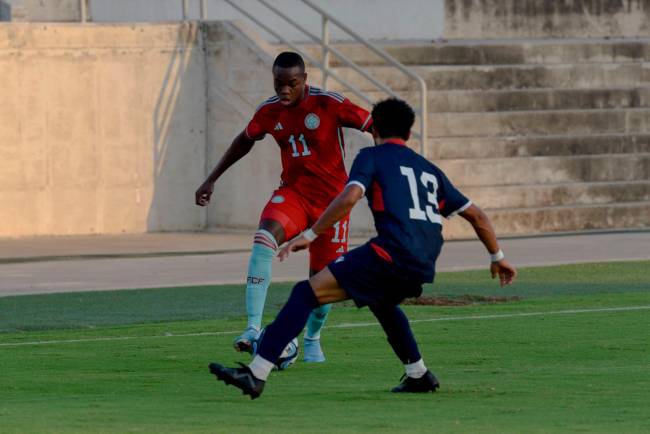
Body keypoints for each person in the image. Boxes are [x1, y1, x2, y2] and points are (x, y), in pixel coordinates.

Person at [208, 98, 517, 399]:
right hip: (424, 261)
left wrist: (312, 234)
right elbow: (476, 215)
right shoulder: (429, 169)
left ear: (375, 128)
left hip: (390, 251)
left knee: (305, 293)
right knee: (382, 302)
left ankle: (256, 373)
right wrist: (497, 257)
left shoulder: (371, 156)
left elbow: (350, 196)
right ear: (409, 133)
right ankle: (419, 375)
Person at [195, 52, 372, 361]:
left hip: (332, 205)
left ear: (304, 79)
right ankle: (252, 329)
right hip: (293, 195)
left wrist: (381, 169)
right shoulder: (269, 111)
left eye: (292, 83)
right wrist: (212, 179)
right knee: (264, 240)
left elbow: (374, 125)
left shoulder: (329, 104)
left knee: (324, 280)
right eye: (279, 83)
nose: (284, 90)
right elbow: (245, 140)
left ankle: (313, 338)